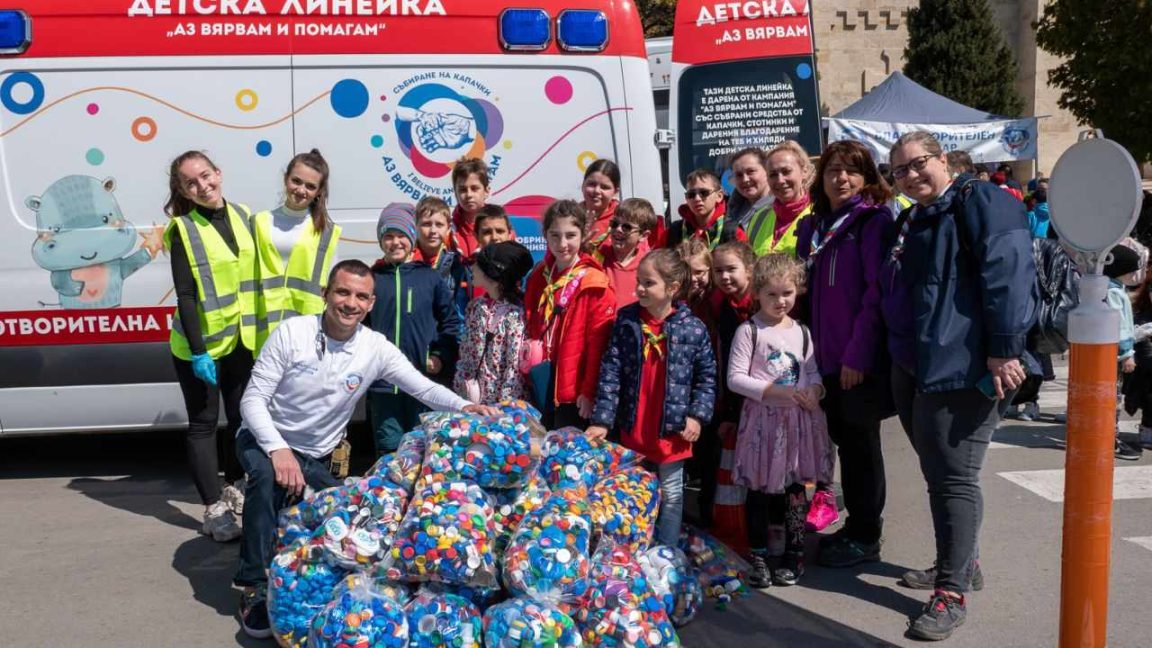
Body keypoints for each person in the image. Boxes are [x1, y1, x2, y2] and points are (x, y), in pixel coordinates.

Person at [233, 259, 498, 639]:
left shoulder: (374, 347)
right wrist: (277, 450)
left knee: (339, 521)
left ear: (371, 303)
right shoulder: (292, 333)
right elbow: (253, 400)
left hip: (318, 455)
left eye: (360, 296)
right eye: (342, 292)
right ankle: (254, 585)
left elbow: (422, 387)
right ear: (325, 294)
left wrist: (465, 407)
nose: (350, 303)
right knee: (264, 482)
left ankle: (288, 561)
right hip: (265, 439)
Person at [887, 131, 1035, 641]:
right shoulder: (919, 216)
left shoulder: (982, 202)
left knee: (953, 479)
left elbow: (1009, 273)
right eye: (900, 171)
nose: (910, 176)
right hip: (922, 364)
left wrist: (1005, 349)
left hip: (964, 367)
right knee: (941, 475)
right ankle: (961, 562)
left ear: (943, 159)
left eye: (918, 163)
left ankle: (951, 592)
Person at [796, 140, 893, 559]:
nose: (841, 178)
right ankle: (854, 527)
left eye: (852, 170)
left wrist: (858, 354)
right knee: (842, 441)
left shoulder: (871, 223)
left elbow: (875, 294)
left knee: (860, 448)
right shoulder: (816, 225)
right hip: (822, 359)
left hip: (853, 360)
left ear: (867, 177)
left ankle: (866, 534)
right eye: (834, 170)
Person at [587, 249, 718, 547]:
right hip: (636, 424)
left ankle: (666, 552)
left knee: (671, 494)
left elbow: (707, 377)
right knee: (633, 490)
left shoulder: (692, 328)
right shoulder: (628, 321)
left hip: (672, 429)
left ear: (672, 288)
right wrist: (603, 420)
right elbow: (611, 372)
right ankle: (633, 546)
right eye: (639, 281)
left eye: (649, 283)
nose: (640, 289)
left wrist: (697, 416)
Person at [164, 150, 257, 543]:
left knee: (240, 417)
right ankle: (213, 510)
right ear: (184, 191)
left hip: (239, 339)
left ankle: (234, 487)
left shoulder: (244, 215)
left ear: (218, 172)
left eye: (206, 175)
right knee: (204, 424)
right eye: (191, 182)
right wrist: (199, 350)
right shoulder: (183, 229)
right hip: (198, 346)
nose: (203, 186)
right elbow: (185, 296)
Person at [728, 254, 833, 588]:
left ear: (797, 290)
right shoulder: (749, 331)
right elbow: (735, 378)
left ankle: (794, 552)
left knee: (795, 491)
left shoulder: (802, 332)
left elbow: (812, 371)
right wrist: (774, 392)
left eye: (787, 293)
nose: (780, 301)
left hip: (797, 425)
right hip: (762, 424)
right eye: (771, 294)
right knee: (758, 490)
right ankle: (758, 554)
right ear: (757, 293)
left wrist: (815, 390)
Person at [366, 203, 461, 453]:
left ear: (411, 236)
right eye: (388, 236)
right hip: (383, 386)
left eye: (401, 235)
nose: (395, 242)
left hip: (422, 383)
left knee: (426, 450)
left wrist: (440, 356)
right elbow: (360, 327)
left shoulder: (429, 277)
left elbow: (450, 323)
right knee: (389, 451)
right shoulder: (373, 279)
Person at [523, 199, 617, 428]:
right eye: (555, 235)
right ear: (545, 235)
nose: (562, 244)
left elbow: (598, 345)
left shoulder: (594, 282)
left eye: (571, 235)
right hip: (540, 377)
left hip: (573, 389)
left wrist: (589, 391)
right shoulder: (540, 275)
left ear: (583, 235)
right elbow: (530, 321)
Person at [697, 241, 757, 550]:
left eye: (731, 269)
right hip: (731, 399)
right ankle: (733, 531)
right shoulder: (723, 307)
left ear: (750, 269)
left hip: (760, 401)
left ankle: (766, 537)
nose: (724, 276)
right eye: (718, 270)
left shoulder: (760, 305)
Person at [252, 149, 341, 352]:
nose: (301, 190)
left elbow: (332, 283)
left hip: (306, 333)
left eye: (310, 186)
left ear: (319, 191)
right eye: (296, 181)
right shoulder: (259, 222)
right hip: (265, 331)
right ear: (286, 179)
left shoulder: (326, 232)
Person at [454, 241, 535, 403]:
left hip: (502, 406)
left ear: (492, 276)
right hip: (473, 402)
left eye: (478, 265)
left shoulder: (515, 314)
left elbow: (514, 368)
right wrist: (462, 387)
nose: (472, 268)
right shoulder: (475, 307)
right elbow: (466, 353)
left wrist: (505, 406)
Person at [1105, 244, 1145, 460]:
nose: (1134, 275)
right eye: (1131, 270)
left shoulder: (1113, 289)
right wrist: (1127, 353)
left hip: (1110, 353)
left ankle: (1110, 436)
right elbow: (1119, 326)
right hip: (1115, 355)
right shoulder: (1114, 293)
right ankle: (1110, 438)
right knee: (1113, 397)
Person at [745, 141, 815, 257]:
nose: (780, 180)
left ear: (804, 172)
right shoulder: (758, 217)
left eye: (786, 172)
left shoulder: (819, 216)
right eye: (773, 175)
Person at [413, 196, 470, 317]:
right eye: (426, 224)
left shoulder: (456, 265)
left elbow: (458, 312)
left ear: (448, 228)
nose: (433, 230)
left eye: (439, 225)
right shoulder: (405, 262)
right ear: (416, 225)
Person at [594, 197, 656, 309]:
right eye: (614, 224)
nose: (618, 229)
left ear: (643, 235)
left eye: (626, 227)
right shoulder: (597, 256)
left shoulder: (649, 266)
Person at [666, 169, 746, 249]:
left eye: (704, 193)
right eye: (691, 194)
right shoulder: (674, 231)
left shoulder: (733, 232)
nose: (697, 199)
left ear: (719, 196)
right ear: (686, 199)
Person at [450, 157, 492, 261]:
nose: (469, 195)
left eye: (474, 188)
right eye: (463, 190)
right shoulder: (447, 228)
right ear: (455, 193)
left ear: (486, 191)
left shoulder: (499, 226)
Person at [725, 148, 773, 232]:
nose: (745, 179)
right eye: (739, 175)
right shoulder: (733, 210)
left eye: (751, 171)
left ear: (767, 170)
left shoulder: (778, 208)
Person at [582, 158, 622, 250]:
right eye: (592, 184)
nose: (596, 191)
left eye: (604, 187)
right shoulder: (568, 216)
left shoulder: (624, 218)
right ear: (583, 185)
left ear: (615, 191)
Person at [677, 237, 713, 321]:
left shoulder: (716, 299)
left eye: (699, 272)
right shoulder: (672, 299)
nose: (692, 278)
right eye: (686, 272)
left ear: (710, 269)